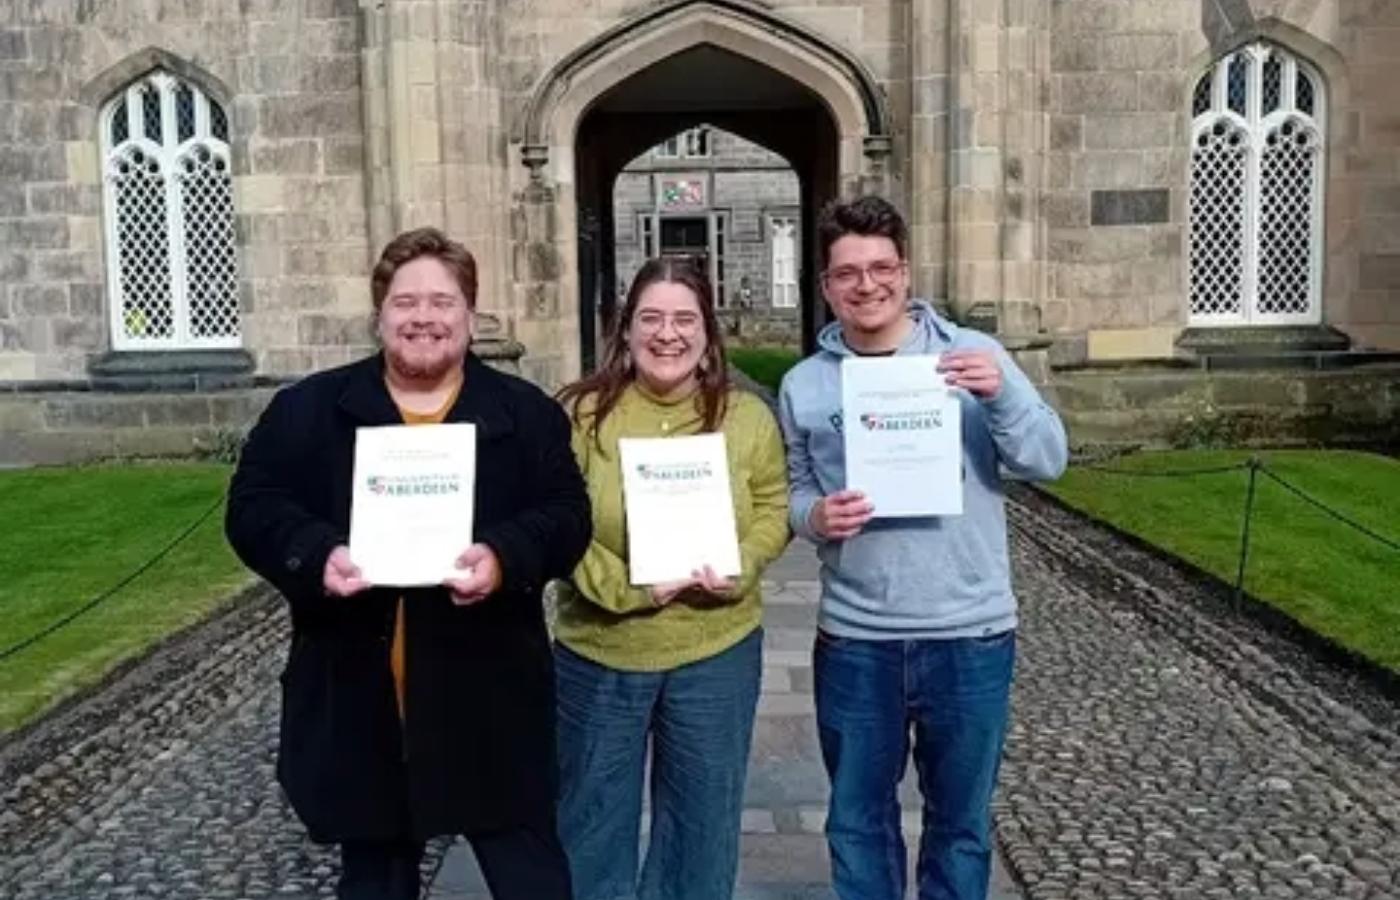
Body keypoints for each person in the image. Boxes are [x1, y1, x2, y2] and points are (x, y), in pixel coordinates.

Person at [225, 227, 591, 900]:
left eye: (443, 302)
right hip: (361, 694)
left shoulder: (526, 415)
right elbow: (253, 506)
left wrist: (505, 556)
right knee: (376, 881)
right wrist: (317, 554)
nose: (424, 317)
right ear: (380, 314)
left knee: (531, 877)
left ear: (470, 314)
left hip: (489, 699)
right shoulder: (306, 411)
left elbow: (568, 515)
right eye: (406, 302)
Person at [777, 196, 1068, 900]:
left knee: (960, 825)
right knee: (856, 822)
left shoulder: (974, 356)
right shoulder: (805, 385)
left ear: (906, 273)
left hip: (968, 633)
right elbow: (792, 492)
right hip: (857, 639)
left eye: (881, 268)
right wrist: (816, 516)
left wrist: (1000, 397)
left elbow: (1047, 459)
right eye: (848, 272)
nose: (866, 285)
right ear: (826, 286)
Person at [553, 257, 790, 900]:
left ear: (709, 335)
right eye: (651, 318)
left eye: (685, 319)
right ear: (624, 329)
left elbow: (773, 506)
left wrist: (739, 565)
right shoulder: (577, 416)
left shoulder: (746, 419)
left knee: (701, 828)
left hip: (715, 650)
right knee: (590, 823)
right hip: (599, 652)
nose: (668, 334)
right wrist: (628, 586)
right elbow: (557, 520)